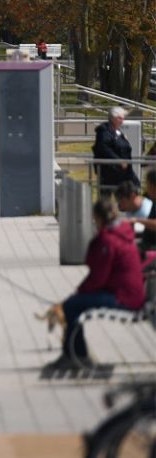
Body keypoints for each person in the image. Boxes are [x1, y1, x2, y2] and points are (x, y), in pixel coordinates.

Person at [53, 197, 145, 367]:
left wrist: (79, 292)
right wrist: (80, 291)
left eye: (94, 219)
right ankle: (73, 354)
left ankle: (77, 356)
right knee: (72, 304)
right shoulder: (120, 233)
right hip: (130, 293)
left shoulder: (108, 240)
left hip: (123, 297)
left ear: (99, 218)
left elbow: (98, 278)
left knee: (70, 306)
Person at [94, 106, 136, 188]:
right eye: (119, 118)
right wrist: (119, 160)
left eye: (123, 118)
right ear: (113, 118)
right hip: (111, 170)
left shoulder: (117, 131)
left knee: (135, 186)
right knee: (107, 193)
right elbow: (104, 148)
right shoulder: (104, 131)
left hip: (123, 170)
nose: (122, 121)